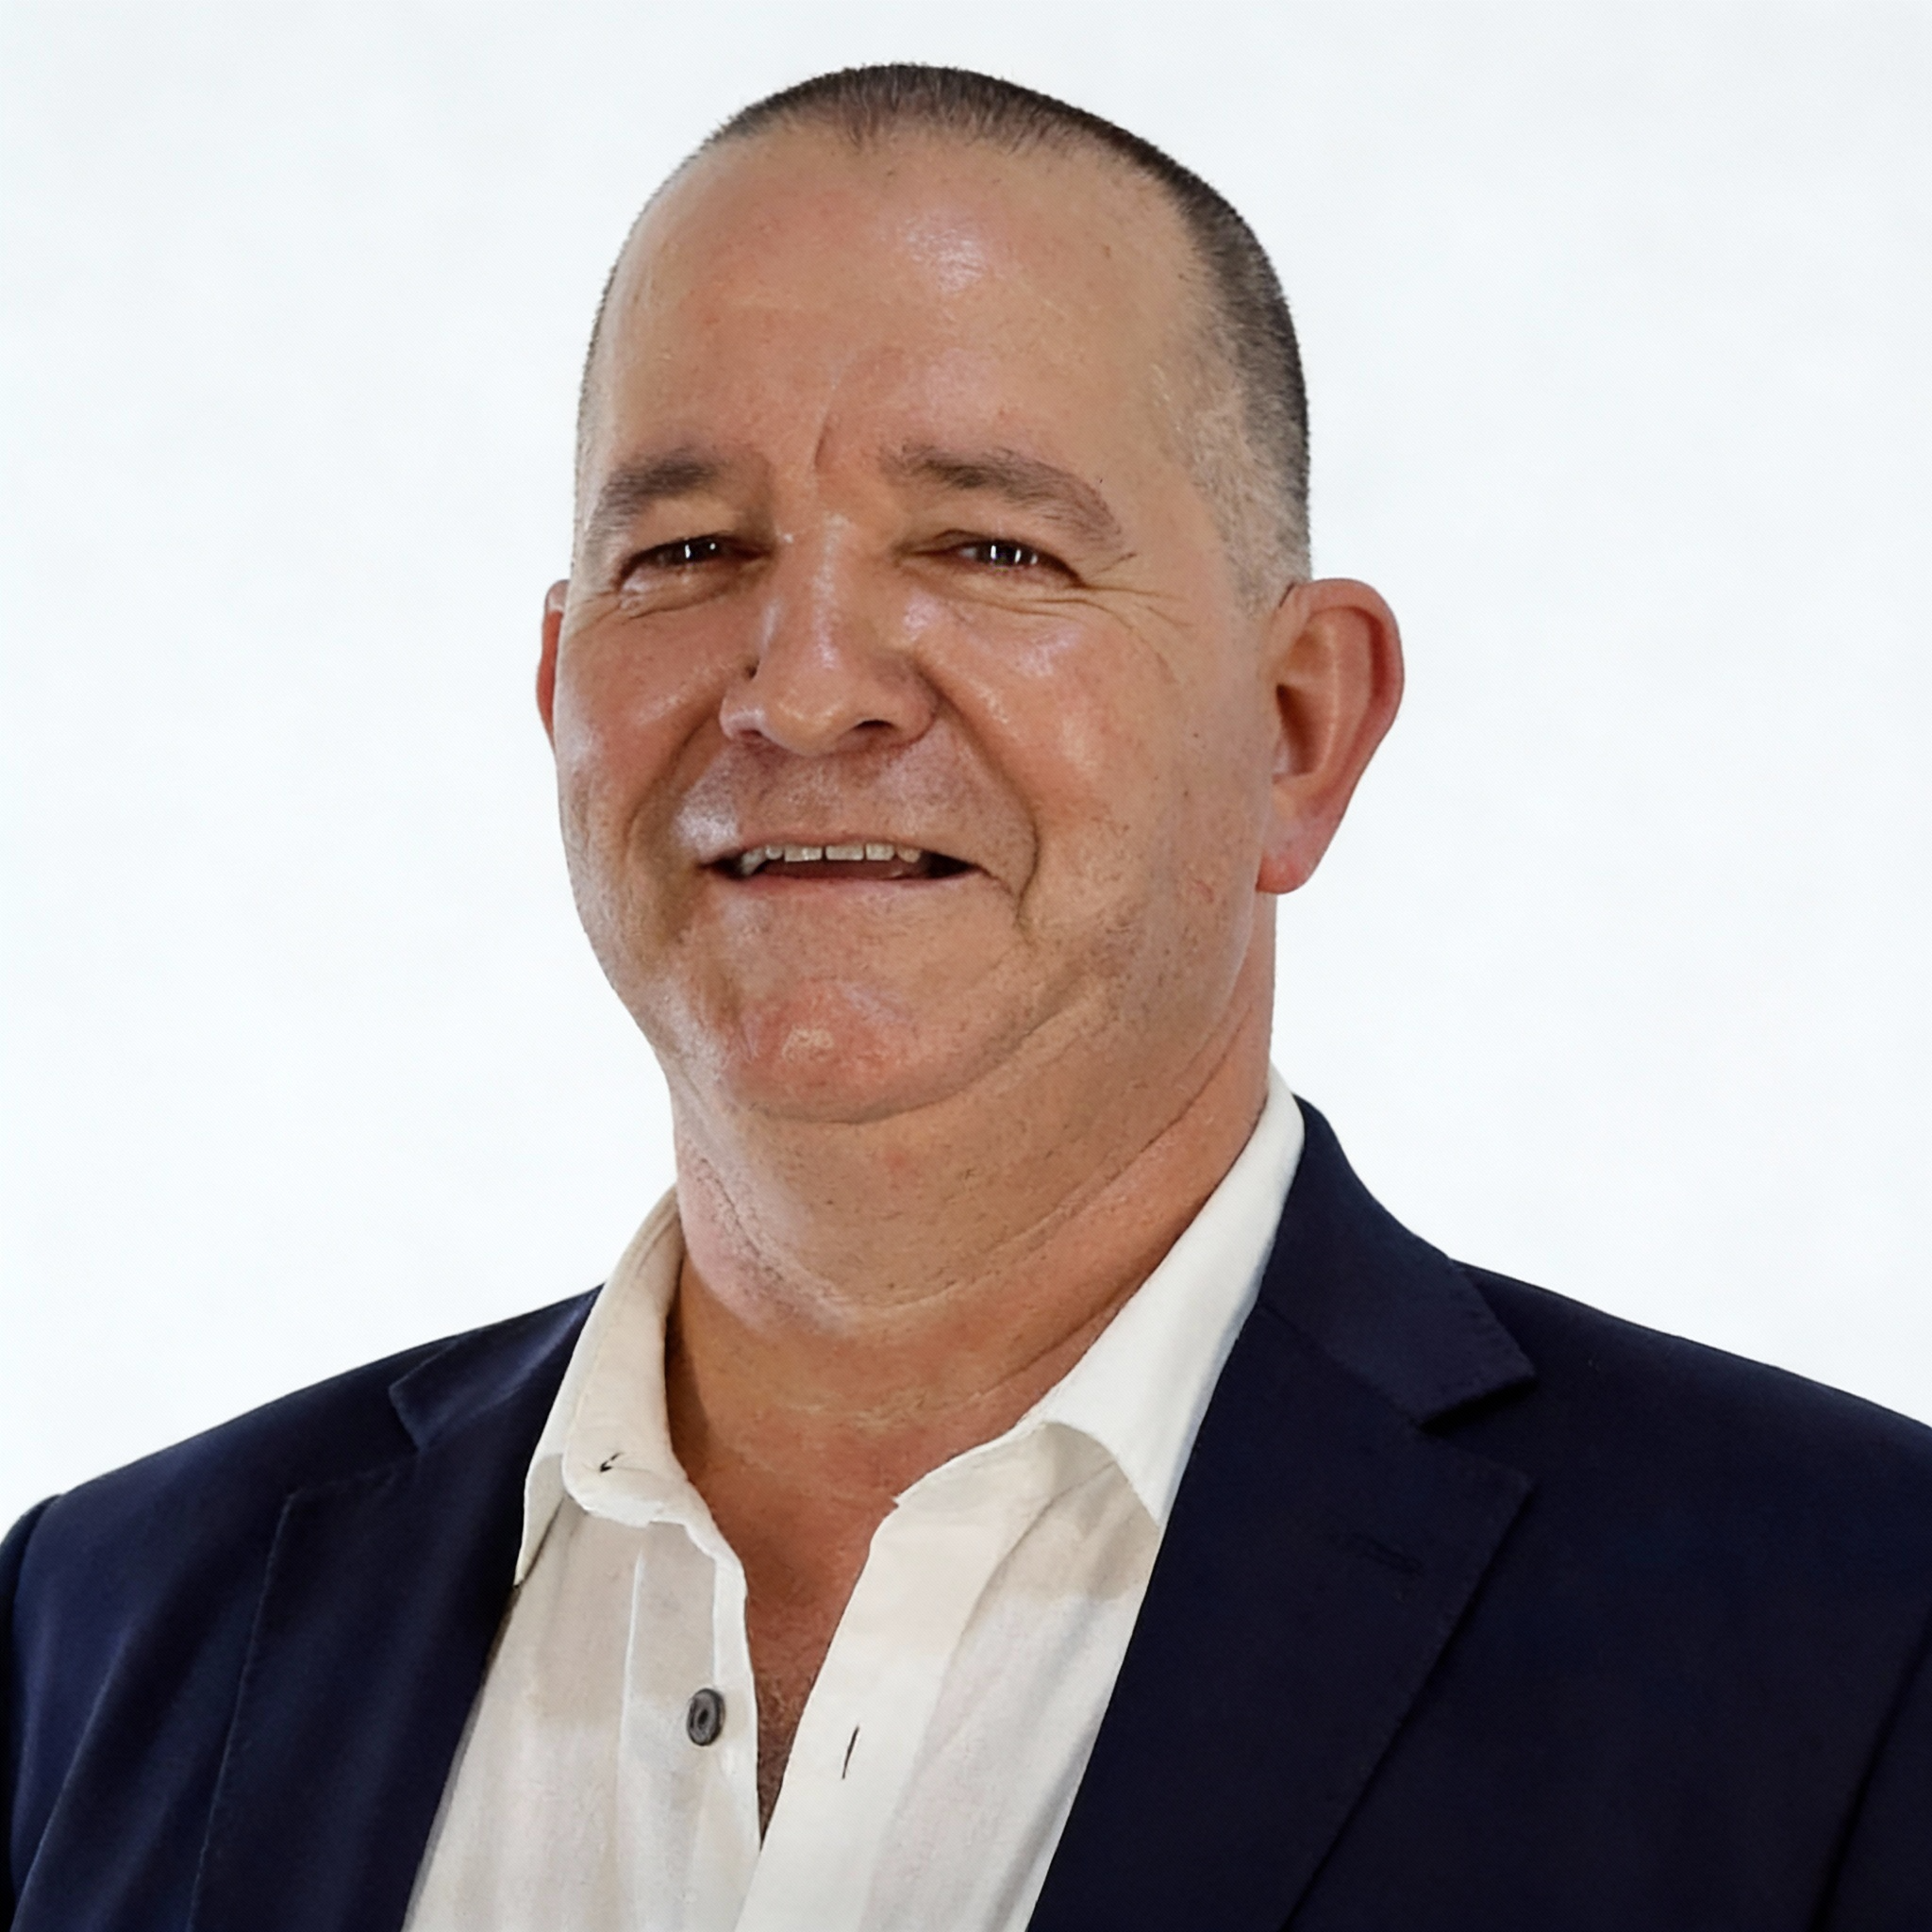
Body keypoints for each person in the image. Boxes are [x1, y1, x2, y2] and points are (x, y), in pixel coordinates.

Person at [5, 61, 1929, 1932]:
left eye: (991, 546)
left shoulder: (1851, 1638)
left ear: (1295, 727)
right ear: (557, 689)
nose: (802, 688)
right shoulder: (100, 1626)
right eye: (688, 551)